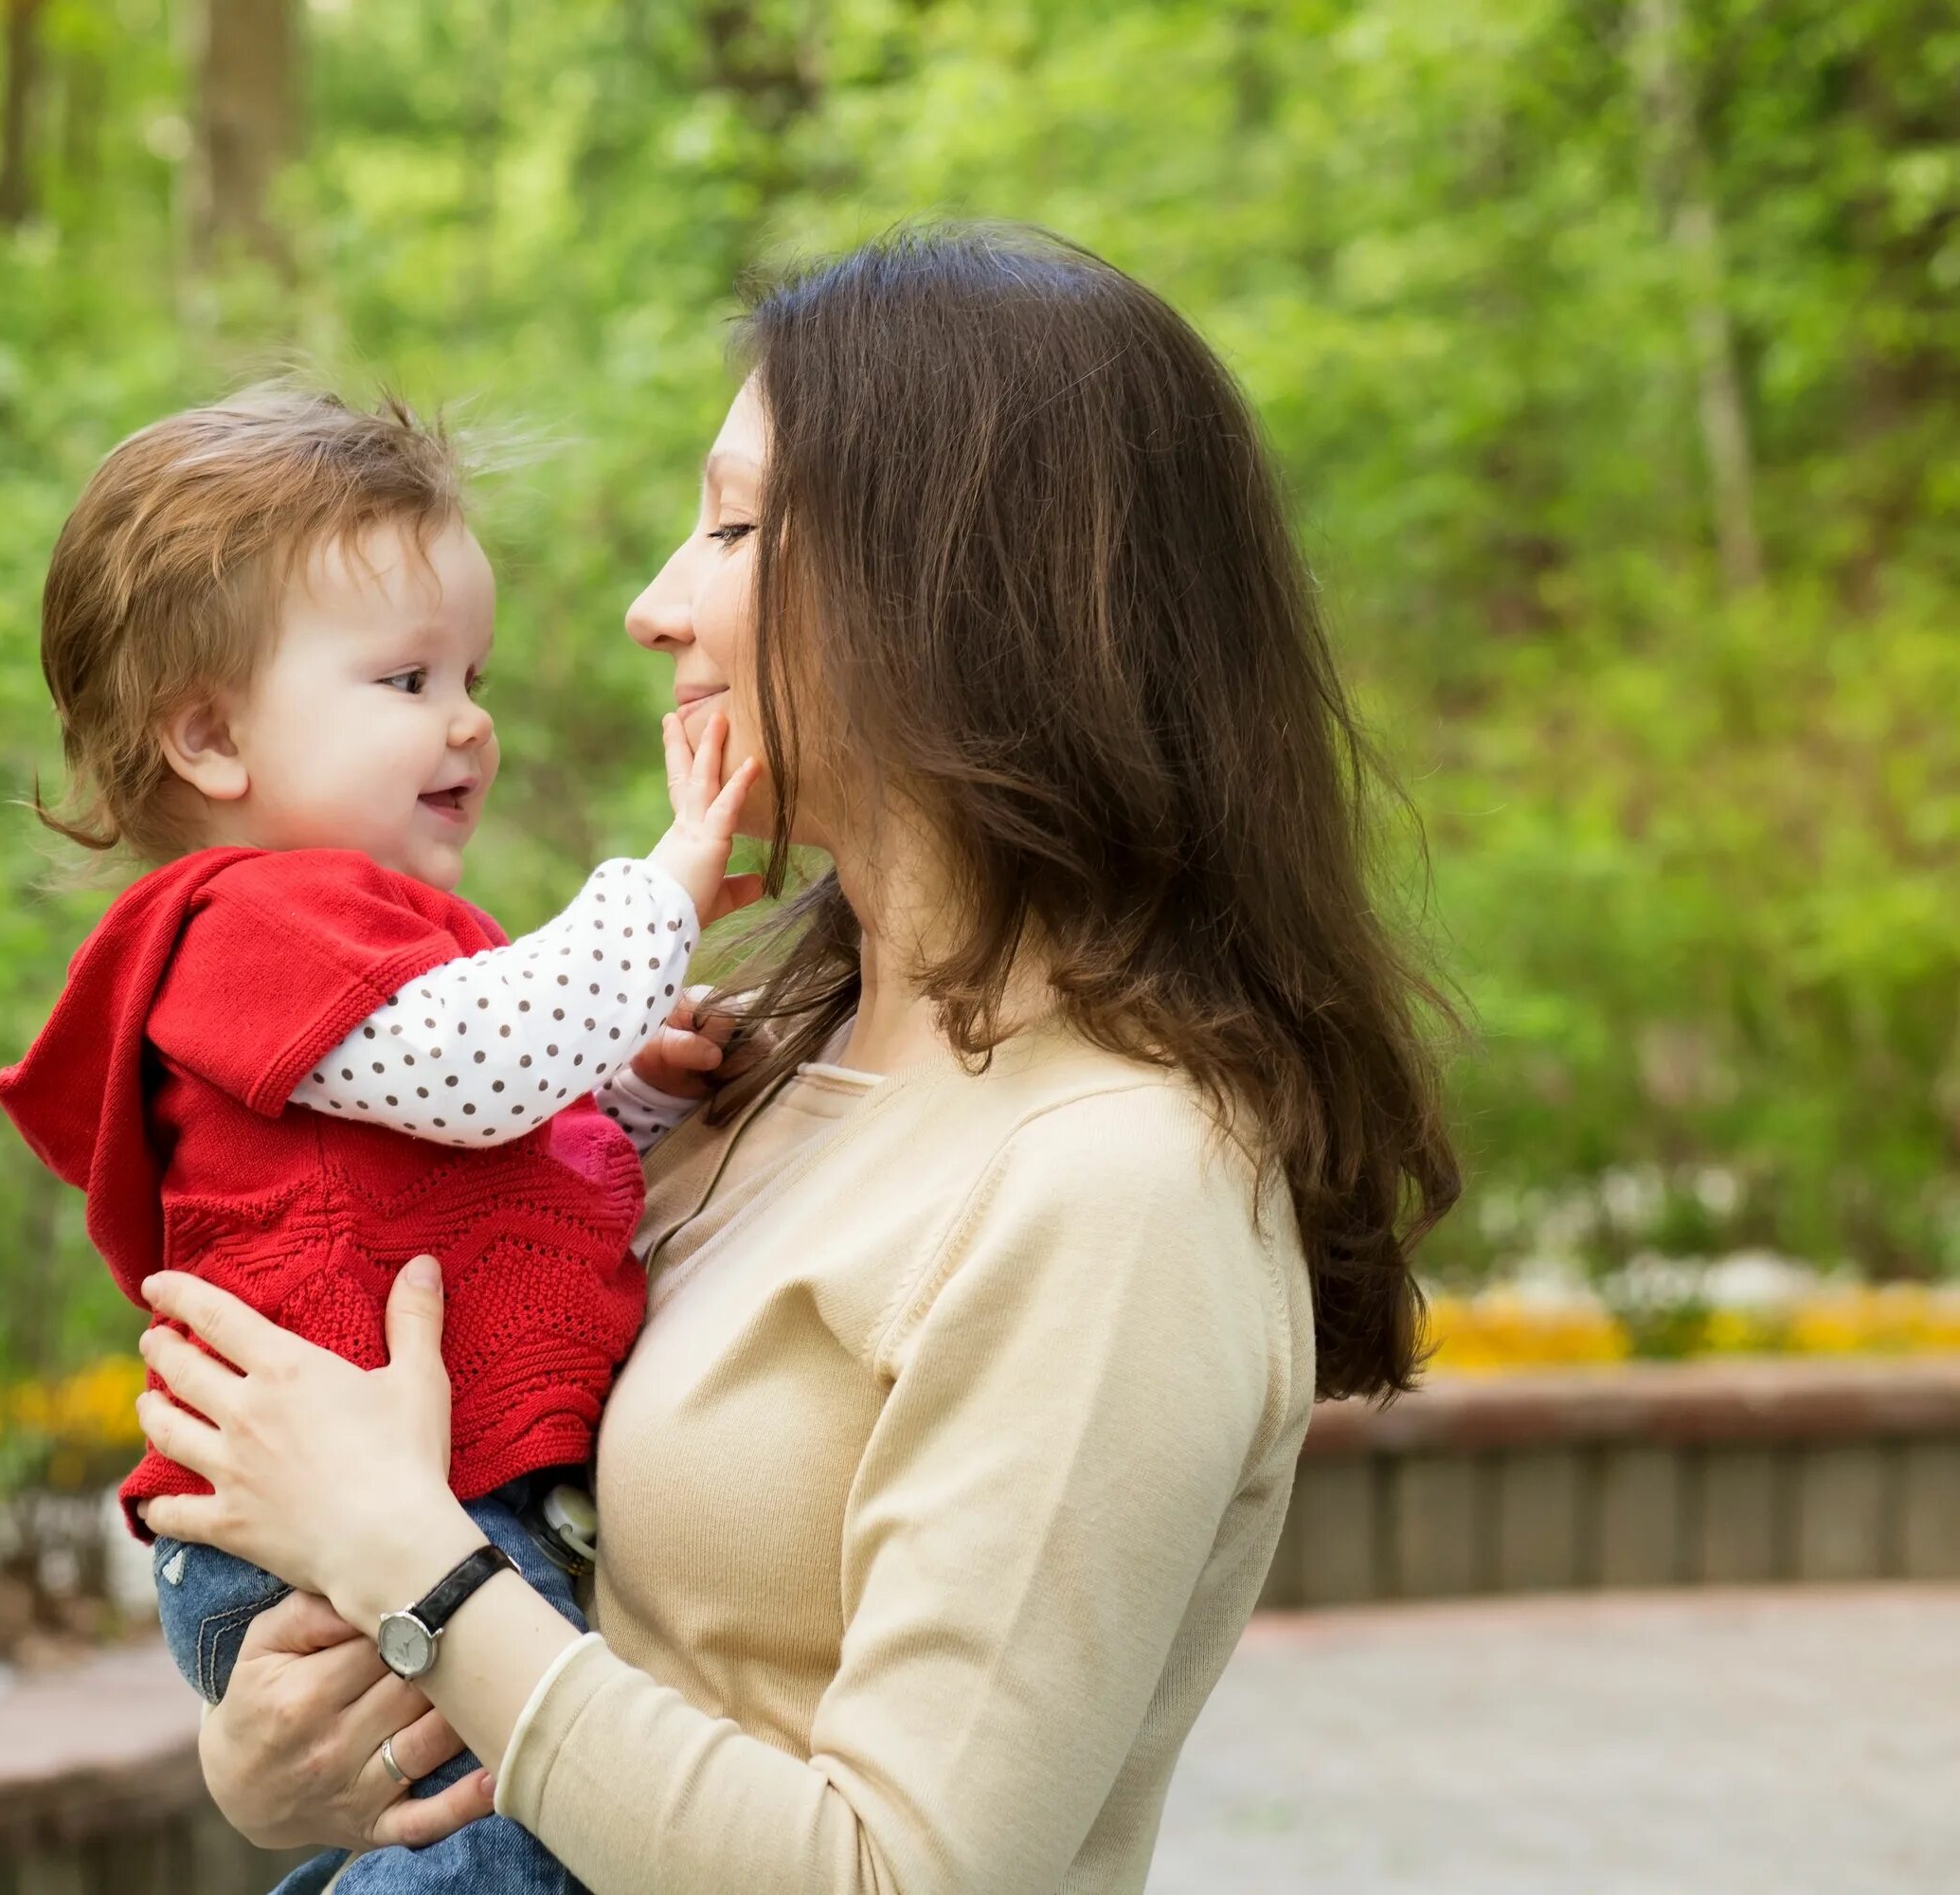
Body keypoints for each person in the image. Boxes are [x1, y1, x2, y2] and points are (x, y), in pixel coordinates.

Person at [126, 226, 1465, 1894]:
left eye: (738, 527)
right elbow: (566, 1632)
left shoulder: (1118, 1179)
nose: (651, 607)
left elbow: (898, 1875)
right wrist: (273, 1759)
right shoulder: (759, 1072)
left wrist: (414, 1565)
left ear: (959, 597)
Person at [0, 387, 761, 1893]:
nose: (469, 718)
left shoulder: (366, 950)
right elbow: (488, 1075)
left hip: (406, 1515)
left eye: (469, 671)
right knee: (513, 1843)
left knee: (475, 1848)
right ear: (209, 735)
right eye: (403, 678)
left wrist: (639, 1092)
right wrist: (658, 894)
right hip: (357, 1534)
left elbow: (485, 1148)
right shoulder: (252, 922)